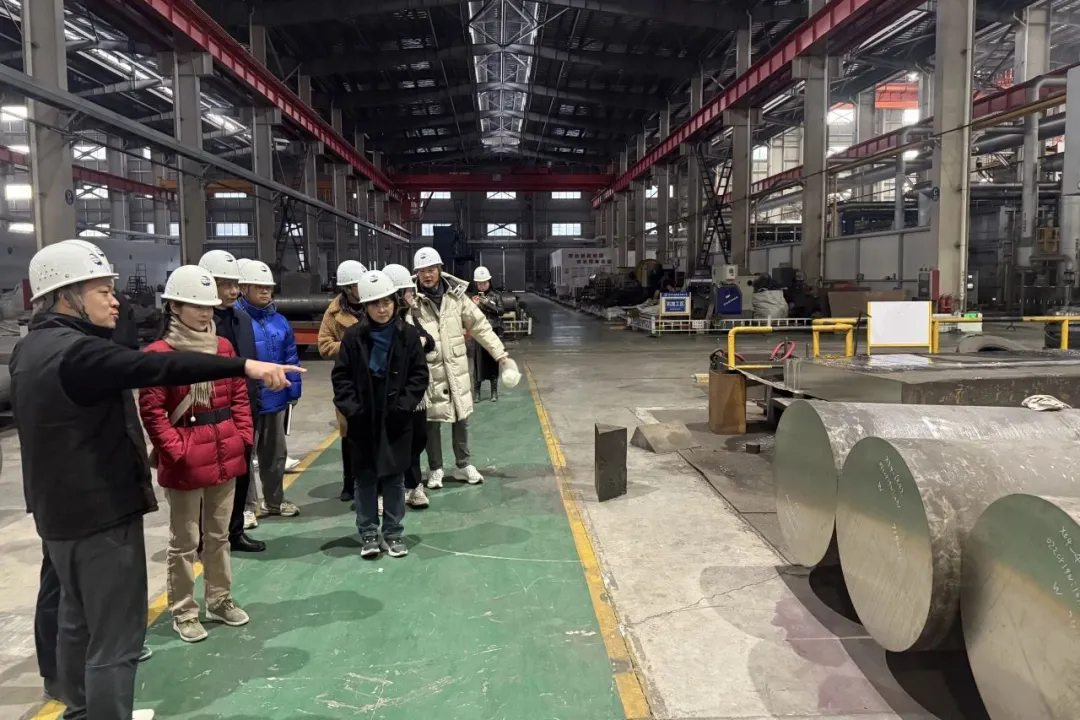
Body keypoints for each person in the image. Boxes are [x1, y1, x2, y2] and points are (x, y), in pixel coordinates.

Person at [11, 240, 302, 720]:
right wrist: (245, 365)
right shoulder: (78, 353)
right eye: (103, 291)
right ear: (66, 295)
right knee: (115, 639)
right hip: (101, 513)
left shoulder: (29, 348)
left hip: (57, 513)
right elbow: (159, 366)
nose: (116, 301)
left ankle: (78, 710)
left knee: (75, 621)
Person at [139, 266, 254, 643]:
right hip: (186, 458)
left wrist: (242, 436)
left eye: (208, 306)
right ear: (174, 306)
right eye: (195, 305)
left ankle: (219, 600)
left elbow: (239, 395)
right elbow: (153, 412)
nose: (205, 313)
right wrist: (177, 452)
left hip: (224, 450)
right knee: (184, 541)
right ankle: (184, 611)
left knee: (218, 535)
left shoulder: (223, 348)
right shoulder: (159, 354)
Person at [331, 270, 429, 558]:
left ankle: (394, 533)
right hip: (364, 421)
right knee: (365, 479)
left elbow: (419, 376)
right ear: (365, 306)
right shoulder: (353, 337)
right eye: (375, 303)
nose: (382, 309)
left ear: (394, 302)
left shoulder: (408, 335)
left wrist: (403, 407)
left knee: (395, 479)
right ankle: (369, 533)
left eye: (386, 302)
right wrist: (354, 411)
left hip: (397, 420)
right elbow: (341, 377)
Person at [409, 248, 510, 487]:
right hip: (430, 370)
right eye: (422, 271)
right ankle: (435, 468)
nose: (427, 275)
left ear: (439, 269)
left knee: (461, 417)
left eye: (431, 269)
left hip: (456, 368)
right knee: (431, 421)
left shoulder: (456, 297)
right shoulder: (411, 300)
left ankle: (462, 466)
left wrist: (500, 353)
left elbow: (480, 325)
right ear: (416, 274)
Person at [198, 249, 265, 553]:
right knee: (210, 479)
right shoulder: (199, 323)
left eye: (235, 284)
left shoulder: (242, 319)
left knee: (241, 473)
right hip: (209, 415)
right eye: (224, 284)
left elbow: (249, 365)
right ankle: (206, 537)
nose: (232, 291)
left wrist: (254, 403)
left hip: (243, 410)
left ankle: (235, 532)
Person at [236, 259, 303, 519]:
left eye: (268, 287)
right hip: (246, 401)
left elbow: (291, 357)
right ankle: (247, 508)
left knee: (275, 455)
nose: (265, 291)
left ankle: (274, 502)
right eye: (259, 286)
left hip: (275, 399)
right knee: (244, 456)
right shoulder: (236, 320)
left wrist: (293, 391)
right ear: (245, 288)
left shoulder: (280, 321)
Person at [382, 263, 435, 509]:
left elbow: (429, 340)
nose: (413, 295)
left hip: (414, 396)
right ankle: (389, 490)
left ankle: (414, 486)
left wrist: (422, 340)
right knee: (391, 444)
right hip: (389, 396)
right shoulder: (376, 326)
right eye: (408, 291)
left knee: (416, 439)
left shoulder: (410, 319)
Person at [318, 259, 368, 502]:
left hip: (375, 378)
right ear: (348, 288)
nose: (363, 288)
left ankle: (372, 482)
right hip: (348, 380)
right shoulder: (333, 313)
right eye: (358, 285)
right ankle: (349, 482)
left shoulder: (376, 303)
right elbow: (324, 346)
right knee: (349, 434)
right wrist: (351, 345)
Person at [469, 266, 505, 403]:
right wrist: (475, 305)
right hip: (478, 333)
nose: (482, 286)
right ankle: (477, 392)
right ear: (476, 284)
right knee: (477, 363)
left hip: (492, 331)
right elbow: (468, 315)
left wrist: (487, 303)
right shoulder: (472, 297)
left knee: (493, 361)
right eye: (479, 283)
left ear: (489, 281)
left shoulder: (495, 296)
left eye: (484, 283)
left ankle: (494, 392)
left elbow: (501, 311)